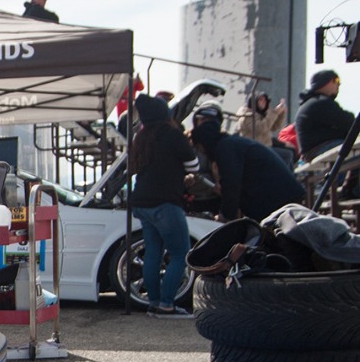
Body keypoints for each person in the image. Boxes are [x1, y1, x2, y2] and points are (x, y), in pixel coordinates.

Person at [129, 94, 200, 317]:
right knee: (180, 253)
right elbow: (194, 165)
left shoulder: (140, 138)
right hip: (165, 202)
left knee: (153, 252)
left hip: (141, 202)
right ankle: (167, 304)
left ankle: (153, 302)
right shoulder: (173, 135)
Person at [188, 101, 304, 222]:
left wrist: (225, 215)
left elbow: (231, 184)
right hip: (280, 197)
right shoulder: (231, 144)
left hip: (279, 200)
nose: (202, 151)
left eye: (200, 147)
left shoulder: (226, 149)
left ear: (205, 142)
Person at [294, 69, 354, 162]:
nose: (339, 84)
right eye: (336, 80)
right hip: (320, 148)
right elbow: (349, 122)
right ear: (324, 82)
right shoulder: (320, 103)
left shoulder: (312, 103)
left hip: (313, 151)